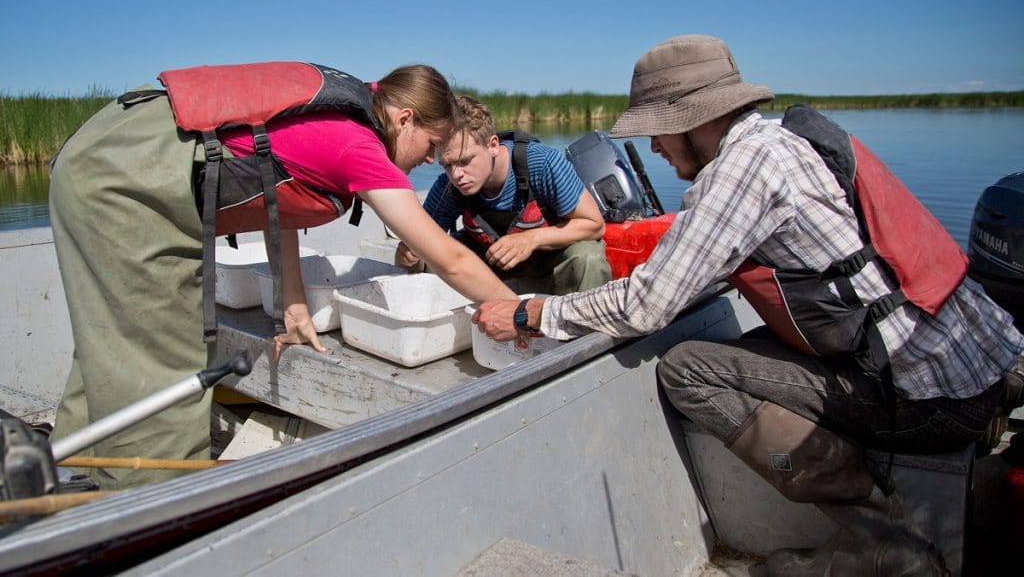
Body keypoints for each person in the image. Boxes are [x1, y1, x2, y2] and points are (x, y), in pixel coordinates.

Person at [473, 35, 1024, 575]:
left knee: (689, 369)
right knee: (751, 345)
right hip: (971, 365)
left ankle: (886, 535)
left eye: (659, 131)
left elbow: (645, 305)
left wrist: (530, 312)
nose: (655, 148)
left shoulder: (741, 170)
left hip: (928, 399)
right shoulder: (786, 141)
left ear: (694, 120)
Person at [49, 62, 519, 489]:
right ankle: (144, 512)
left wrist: (292, 300)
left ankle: (71, 472)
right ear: (404, 120)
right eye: (433, 145)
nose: (433, 161)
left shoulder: (345, 116)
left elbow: (282, 202)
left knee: (110, 342)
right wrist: (524, 312)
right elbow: (446, 258)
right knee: (162, 349)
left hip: (110, 151)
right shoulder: (359, 144)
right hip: (129, 177)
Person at [395, 94, 610, 295]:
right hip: (488, 273)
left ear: (493, 145)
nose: (456, 175)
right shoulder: (448, 186)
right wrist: (410, 257)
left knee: (588, 258)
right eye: (447, 165)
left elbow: (594, 224)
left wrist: (531, 239)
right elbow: (422, 246)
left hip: (548, 269)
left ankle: (581, 331)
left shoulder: (543, 163)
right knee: (434, 261)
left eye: (465, 161)